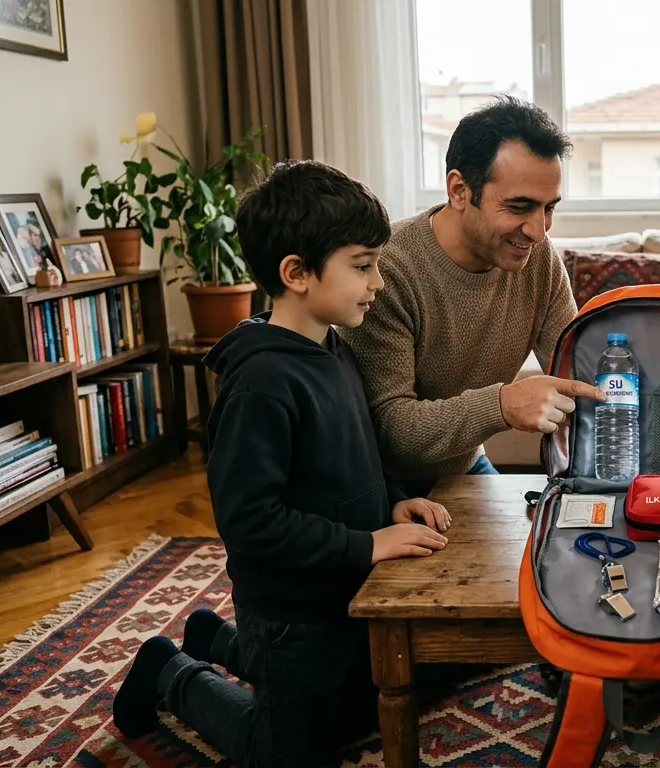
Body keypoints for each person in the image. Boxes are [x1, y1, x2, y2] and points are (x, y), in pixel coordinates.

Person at [111, 160, 451, 768]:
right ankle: (171, 670)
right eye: (363, 265)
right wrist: (368, 544)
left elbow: (356, 453)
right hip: (293, 614)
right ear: (296, 273)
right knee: (289, 755)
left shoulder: (334, 345)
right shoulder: (263, 383)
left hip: (343, 597)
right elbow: (249, 521)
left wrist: (393, 496)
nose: (379, 282)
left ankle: (217, 640)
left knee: (373, 702)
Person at [342, 96, 604, 495]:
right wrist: (501, 405)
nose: (538, 230)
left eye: (548, 208)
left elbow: (578, 375)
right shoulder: (387, 270)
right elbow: (393, 429)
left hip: (464, 463)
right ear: (460, 190)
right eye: (520, 207)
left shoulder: (537, 260)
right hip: (379, 484)